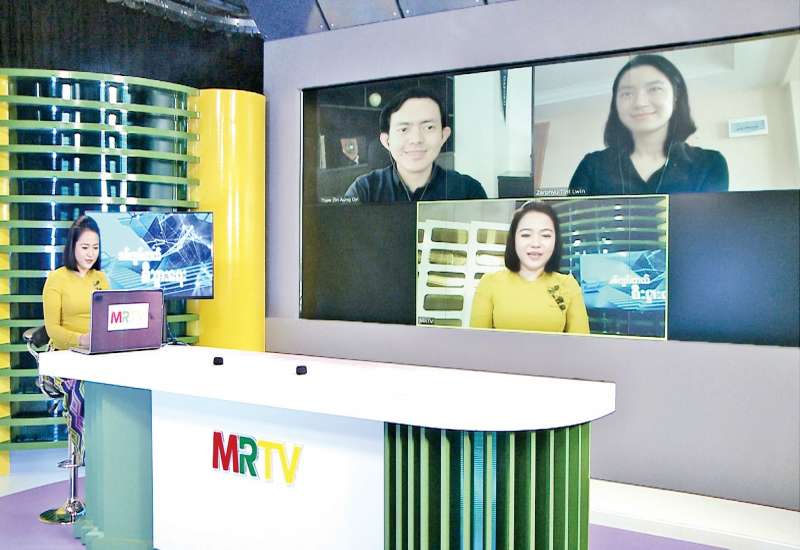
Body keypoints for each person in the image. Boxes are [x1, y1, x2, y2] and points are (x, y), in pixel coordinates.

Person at [569, 54, 728, 195]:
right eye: (627, 93)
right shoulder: (592, 166)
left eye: (654, 89)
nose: (640, 102)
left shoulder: (710, 164)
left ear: (676, 97)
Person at [42, 215, 110, 462]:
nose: (91, 254)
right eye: (85, 247)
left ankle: (112, 449)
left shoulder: (100, 278)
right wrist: (81, 339)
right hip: (60, 357)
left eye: (95, 247)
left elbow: (109, 317)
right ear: (72, 247)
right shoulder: (57, 279)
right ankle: (86, 453)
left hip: (95, 353)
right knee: (82, 387)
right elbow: (53, 330)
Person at [344, 88, 487, 202]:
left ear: (443, 136)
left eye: (429, 127)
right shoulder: (363, 190)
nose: (416, 139)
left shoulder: (468, 191)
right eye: (404, 129)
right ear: (386, 141)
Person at [470, 201, 589, 333]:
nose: (535, 244)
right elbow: (476, 342)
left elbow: (580, 344)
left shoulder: (569, 285)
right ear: (513, 239)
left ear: (555, 241)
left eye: (546, 235)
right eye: (526, 235)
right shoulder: (489, 283)